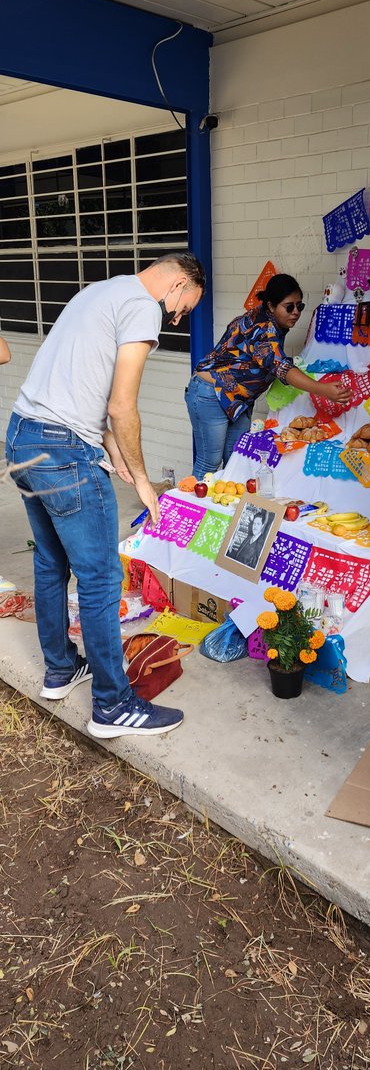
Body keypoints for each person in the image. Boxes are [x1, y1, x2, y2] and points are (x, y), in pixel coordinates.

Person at [6, 253, 204, 739]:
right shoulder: (143, 306)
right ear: (177, 283)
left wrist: (111, 452)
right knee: (100, 578)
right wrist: (140, 479)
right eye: (182, 309)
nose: (175, 319)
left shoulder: (101, 291)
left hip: (22, 438)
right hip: (63, 453)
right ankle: (113, 706)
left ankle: (59, 669)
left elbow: (88, 392)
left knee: (51, 561)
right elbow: (121, 405)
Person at [186, 273, 352, 480]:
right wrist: (323, 390)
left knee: (236, 462)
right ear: (271, 306)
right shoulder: (262, 328)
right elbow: (280, 367)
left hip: (238, 400)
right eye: (289, 306)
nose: (295, 313)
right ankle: (190, 511)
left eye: (299, 306)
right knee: (209, 463)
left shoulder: (272, 322)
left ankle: (225, 510)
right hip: (211, 393)